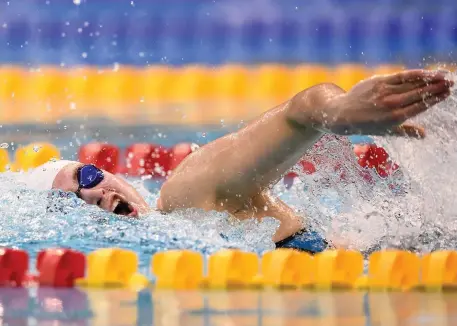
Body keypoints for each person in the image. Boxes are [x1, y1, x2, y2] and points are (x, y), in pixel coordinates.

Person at [19, 69, 453, 253]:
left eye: (87, 175)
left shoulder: (183, 194)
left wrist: (339, 115)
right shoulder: (174, 243)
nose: (92, 194)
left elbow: (301, 111)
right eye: (73, 203)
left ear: (110, 172)